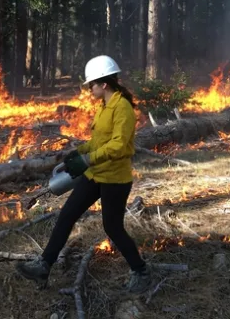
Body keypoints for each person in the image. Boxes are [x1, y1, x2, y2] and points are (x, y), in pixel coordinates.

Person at [16, 55, 151, 293]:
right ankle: (44, 265)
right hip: (96, 174)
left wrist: (88, 159)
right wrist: (77, 152)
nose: (90, 89)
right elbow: (99, 141)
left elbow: (119, 146)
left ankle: (140, 271)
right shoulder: (104, 107)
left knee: (113, 228)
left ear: (104, 84)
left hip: (115, 180)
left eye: (92, 85)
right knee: (67, 214)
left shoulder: (122, 108)